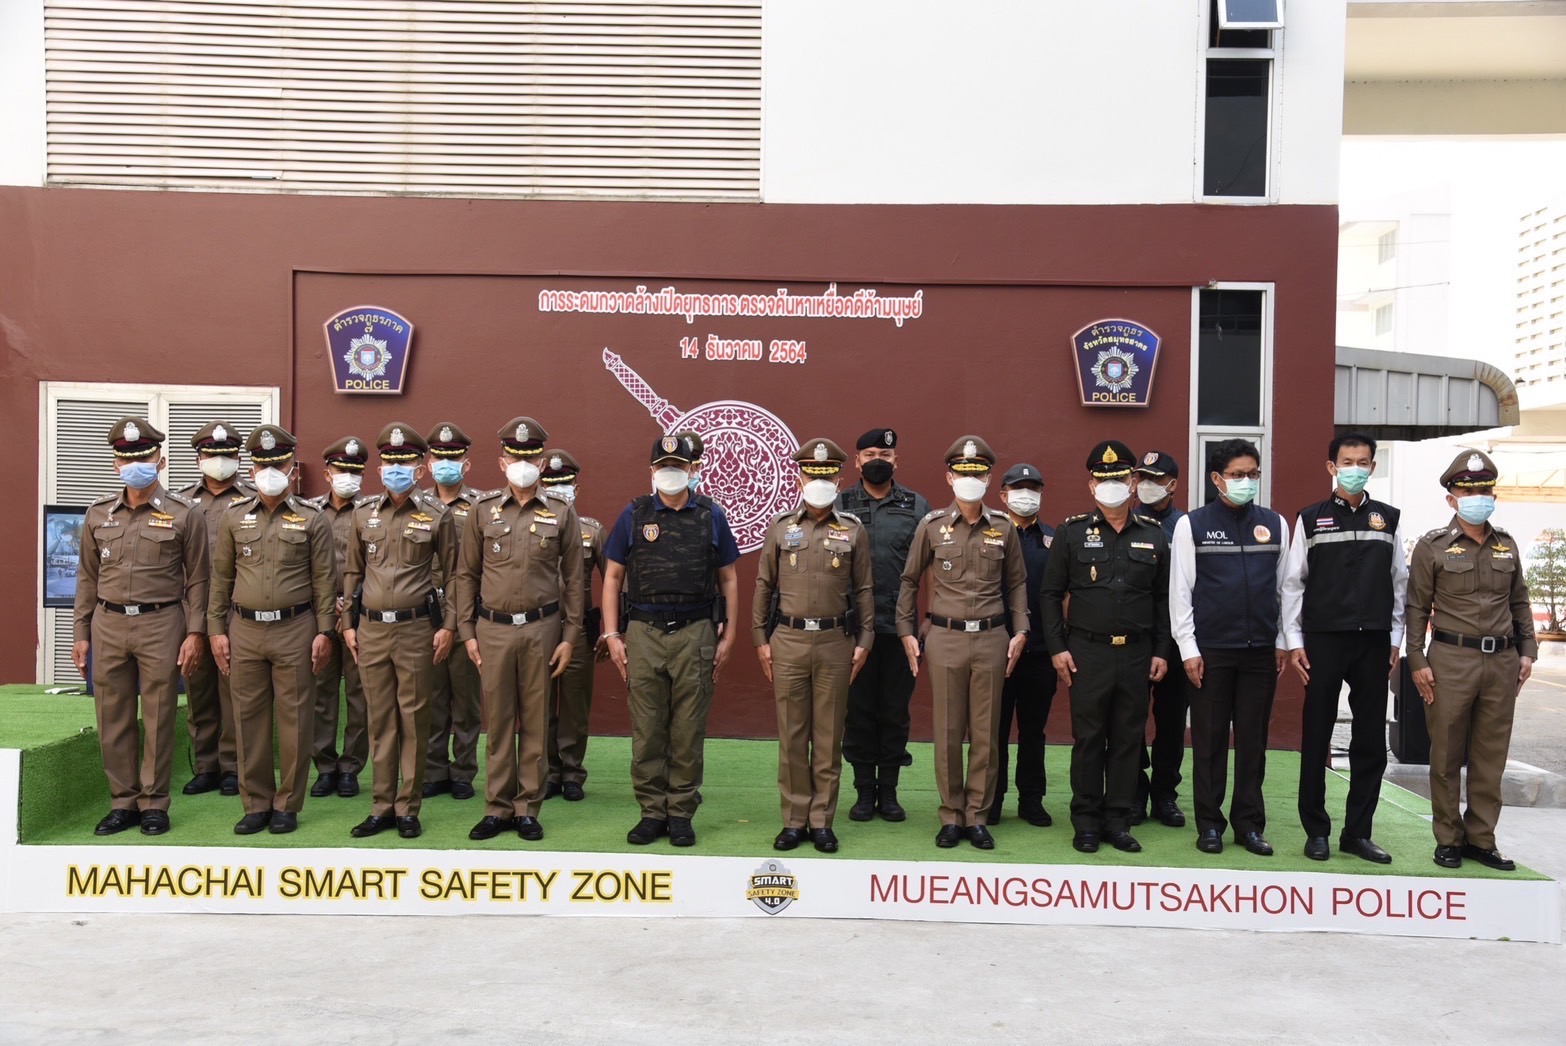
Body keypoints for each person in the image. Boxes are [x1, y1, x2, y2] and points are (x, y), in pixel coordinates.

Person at [601, 433, 741, 848]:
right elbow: (612, 577)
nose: (671, 472)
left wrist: (731, 633)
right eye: (663, 466)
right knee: (647, 729)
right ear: (651, 471)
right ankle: (651, 812)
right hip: (644, 632)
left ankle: (680, 813)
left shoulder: (711, 515)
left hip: (696, 632)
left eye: (678, 466)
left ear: (692, 469)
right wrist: (612, 634)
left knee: (688, 728)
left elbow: (729, 578)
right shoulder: (634, 515)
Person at [72, 417, 209, 836]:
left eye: (145, 458)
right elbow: (87, 578)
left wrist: (195, 633)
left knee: (159, 714)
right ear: (116, 464)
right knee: (111, 716)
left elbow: (199, 579)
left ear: (160, 460)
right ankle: (123, 802)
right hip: (108, 623)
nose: (136, 466)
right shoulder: (98, 514)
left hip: (161, 622)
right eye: (127, 459)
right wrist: (81, 634)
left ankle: (153, 803)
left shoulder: (185, 514)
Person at [1406, 449, 1537, 872]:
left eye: (1483, 491)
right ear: (1452, 499)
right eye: (1467, 492)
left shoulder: (1506, 545)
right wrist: (1416, 659)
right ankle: (1448, 838)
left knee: (1490, 755)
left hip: (1502, 661)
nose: (1477, 498)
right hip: (1451, 660)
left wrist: (1528, 651)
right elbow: (1416, 608)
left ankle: (1482, 839)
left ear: (1493, 496)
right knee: (1445, 753)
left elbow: (1519, 602)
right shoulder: (1432, 546)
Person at [896, 436, 1029, 850]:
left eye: (978, 472)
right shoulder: (932, 526)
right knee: (948, 731)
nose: (970, 478)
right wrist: (905, 631)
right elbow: (909, 580)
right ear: (949, 477)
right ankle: (951, 815)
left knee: (986, 734)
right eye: (962, 472)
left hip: (991, 637)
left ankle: (977, 816)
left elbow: (1017, 583)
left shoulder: (1003, 527)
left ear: (988, 478)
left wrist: (1021, 630)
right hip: (946, 637)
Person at [455, 418, 584, 842]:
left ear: (542, 462)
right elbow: (466, 575)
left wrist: (569, 637)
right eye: (515, 457)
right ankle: (496, 807)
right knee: (498, 721)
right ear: (502, 462)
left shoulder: (561, 511)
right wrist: (467, 631)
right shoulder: (482, 510)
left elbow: (575, 580)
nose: (523, 464)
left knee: (535, 721)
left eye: (531, 457)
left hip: (541, 628)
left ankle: (527, 808)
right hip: (492, 629)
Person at [1040, 440, 1171, 855]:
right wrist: (1057, 648)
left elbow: (1163, 599)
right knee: (1089, 738)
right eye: (1103, 479)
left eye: (1119, 478)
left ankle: (1119, 820)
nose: (1111, 485)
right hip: (1087, 652)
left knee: (1129, 739)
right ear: (1091, 485)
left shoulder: (1153, 534)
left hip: (1136, 652)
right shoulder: (1071, 532)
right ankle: (1086, 821)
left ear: (1132, 484)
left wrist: (1161, 650)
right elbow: (1050, 594)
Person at [1282, 432, 1407, 863]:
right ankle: (1315, 831)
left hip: (1373, 642)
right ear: (1331, 467)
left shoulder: (1388, 519)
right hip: (1323, 641)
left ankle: (1358, 832)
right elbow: (1293, 584)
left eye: (1363, 462)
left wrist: (1395, 639)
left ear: (1373, 466)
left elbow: (1400, 584)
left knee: (1369, 740)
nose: (1355, 469)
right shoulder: (1310, 519)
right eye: (1347, 462)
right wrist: (1294, 641)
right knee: (1316, 735)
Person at [207, 425, 336, 834]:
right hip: (244, 629)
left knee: (295, 719)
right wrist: (215, 630)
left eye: (278, 465)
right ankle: (255, 803)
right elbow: (221, 578)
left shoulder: (312, 518)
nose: (270, 472)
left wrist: (325, 631)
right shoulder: (234, 517)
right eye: (263, 465)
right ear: (252, 469)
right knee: (247, 720)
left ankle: (287, 804)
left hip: (295, 628)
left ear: (291, 468)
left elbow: (325, 581)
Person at [752, 438, 875, 853]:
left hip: (835, 642)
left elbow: (864, 589)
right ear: (799, 478)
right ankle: (794, 820)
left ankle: (822, 820)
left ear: (839, 480)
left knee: (828, 735)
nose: (819, 481)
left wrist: (865, 639)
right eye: (812, 474)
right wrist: (760, 638)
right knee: (792, 735)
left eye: (827, 475)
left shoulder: (853, 530)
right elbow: (764, 585)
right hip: (787, 639)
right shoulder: (781, 527)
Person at [1169, 438, 1288, 857]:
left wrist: (1283, 641)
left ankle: (1249, 826)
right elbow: (1180, 592)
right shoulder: (1193, 525)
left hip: (1260, 651)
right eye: (1237, 475)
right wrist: (1188, 648)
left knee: (1253, 743)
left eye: (1252, 474)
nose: (1246, 481)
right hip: (1211, 651)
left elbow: (1286, 590)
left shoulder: (1275, 524)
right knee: (1210, 740)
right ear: (1217, 479)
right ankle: (1209, 825)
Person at [341, 423, 458, 839]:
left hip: (415, 628)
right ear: (379, 468)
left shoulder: (437, 515)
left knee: (413, 718)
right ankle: (381, 806)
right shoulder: (362, 514)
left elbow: (455, 575)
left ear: (419, 469)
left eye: (404, 462)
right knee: (379, 719)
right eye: (390, 462)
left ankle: (408, 807)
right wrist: (348, 624)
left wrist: (449, 625)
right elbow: (353, 572)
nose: (396, 469)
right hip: (371, 629)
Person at [836, 427, 930, 822]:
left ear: (896, 461)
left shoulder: (916, 506)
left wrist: (927, 618)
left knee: (894, 711)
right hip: (851, 629)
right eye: (870, 454)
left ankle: (888, 792)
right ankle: (863, 791)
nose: (878, 461)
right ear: (857, 461)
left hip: (898, 628)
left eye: (885, 455)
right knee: (857, 712)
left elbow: (933, 566)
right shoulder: (839, 504)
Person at [178, 421, 253, 797]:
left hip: (236, 609)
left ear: (238, 458)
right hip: (192, 607)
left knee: (235, 689)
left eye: (227, 455)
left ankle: (233, 766)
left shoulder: (252, 500)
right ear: (198, 459)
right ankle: (206, 765)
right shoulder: (181, 503)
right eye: (211, 455)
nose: (219, 462)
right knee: (199, 687)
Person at [989, 462, 1057, 828]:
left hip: (1041, 650)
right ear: (1003, 495)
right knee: (993, 730)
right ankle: (992, 798)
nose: (1026, 495)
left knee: (1034, 731)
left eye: (1033, 488)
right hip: (997, 649)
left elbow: (1062, 595)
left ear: (1042, 493)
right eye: (1018, 488)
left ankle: (1032, 799)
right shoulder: (991, 536)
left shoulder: (1054, 540)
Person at [304, 436, 371, 799]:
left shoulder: (372, 512)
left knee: (359, 695)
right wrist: (327, 606)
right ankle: (325, 767)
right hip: (321, 616)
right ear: (327, 472)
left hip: (360, 617)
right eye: (341, 470)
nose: (348, 476)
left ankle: (350, 768)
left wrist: (353, 606)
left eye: (355, 471)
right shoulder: (310, 512)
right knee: (321, 693)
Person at [421, 421, 484, 802]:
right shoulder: (416, 505)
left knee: (466, 700)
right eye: (439, 457)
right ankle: (433, 770)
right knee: (431, 699)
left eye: (454, 457)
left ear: (466, 464)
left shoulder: (481, 506)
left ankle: (462, 771)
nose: (446, 463)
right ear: (429, 464)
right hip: (424, 613)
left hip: (467, 614)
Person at [539, 448, 606, 802]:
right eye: (550, 484)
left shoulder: (592, 530)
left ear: (576, 489)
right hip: (540, 625)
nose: (558, 491)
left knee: (575, 705)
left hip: (577, 628)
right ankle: (547, 772)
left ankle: (571, 772)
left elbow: (614, 580)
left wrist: (611, 630)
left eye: (564, 484)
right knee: (540, 703)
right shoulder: (530, 528)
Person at [1130, 450, 1188, 828]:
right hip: (1135, 636)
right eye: (1143, 478)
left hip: (1177, 638)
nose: (1147, 485)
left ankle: (1165, 794)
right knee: (1129, 719)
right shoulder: (1126, 522)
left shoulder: (1185, 527)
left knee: (1171, 722)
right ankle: (1134, 791)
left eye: (1156, 479)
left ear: (1172, 484)